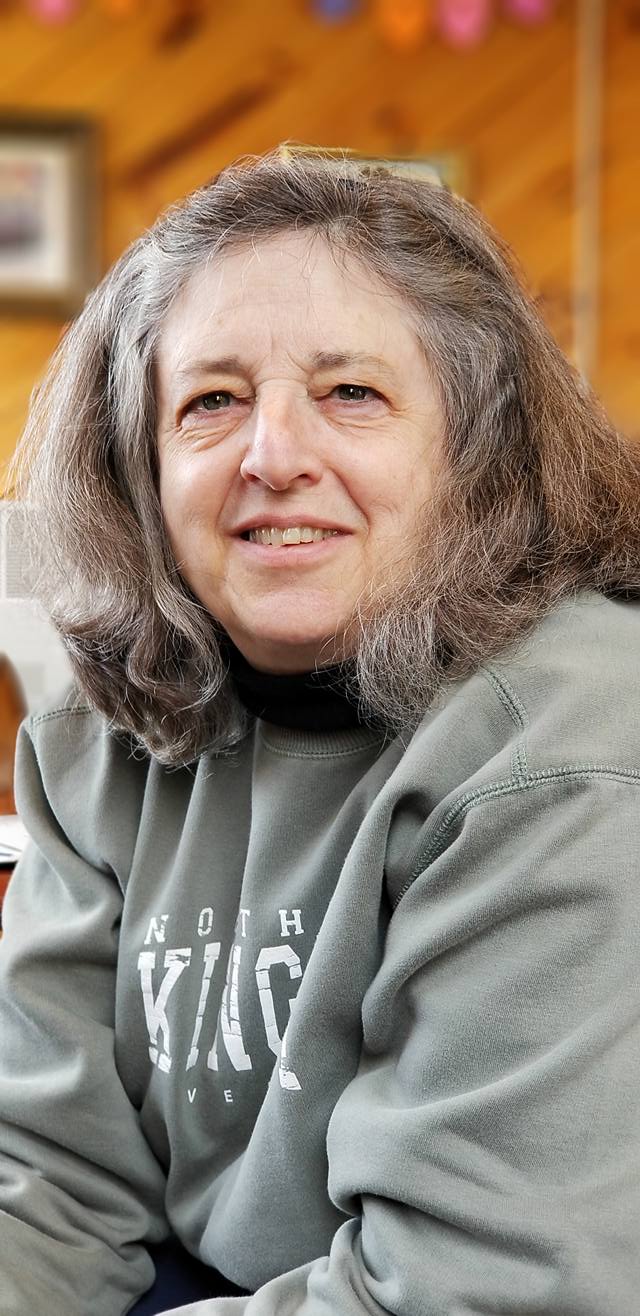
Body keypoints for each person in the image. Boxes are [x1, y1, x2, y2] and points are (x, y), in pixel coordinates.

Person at [1, 146, 640, 1316]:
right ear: (141, 468)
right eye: (211, 401)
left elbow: (468, 1289)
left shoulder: (572, 741)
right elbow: (48, 1182)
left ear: (476, 451)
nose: (275, 455)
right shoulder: (97, 739)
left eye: (351, 392)